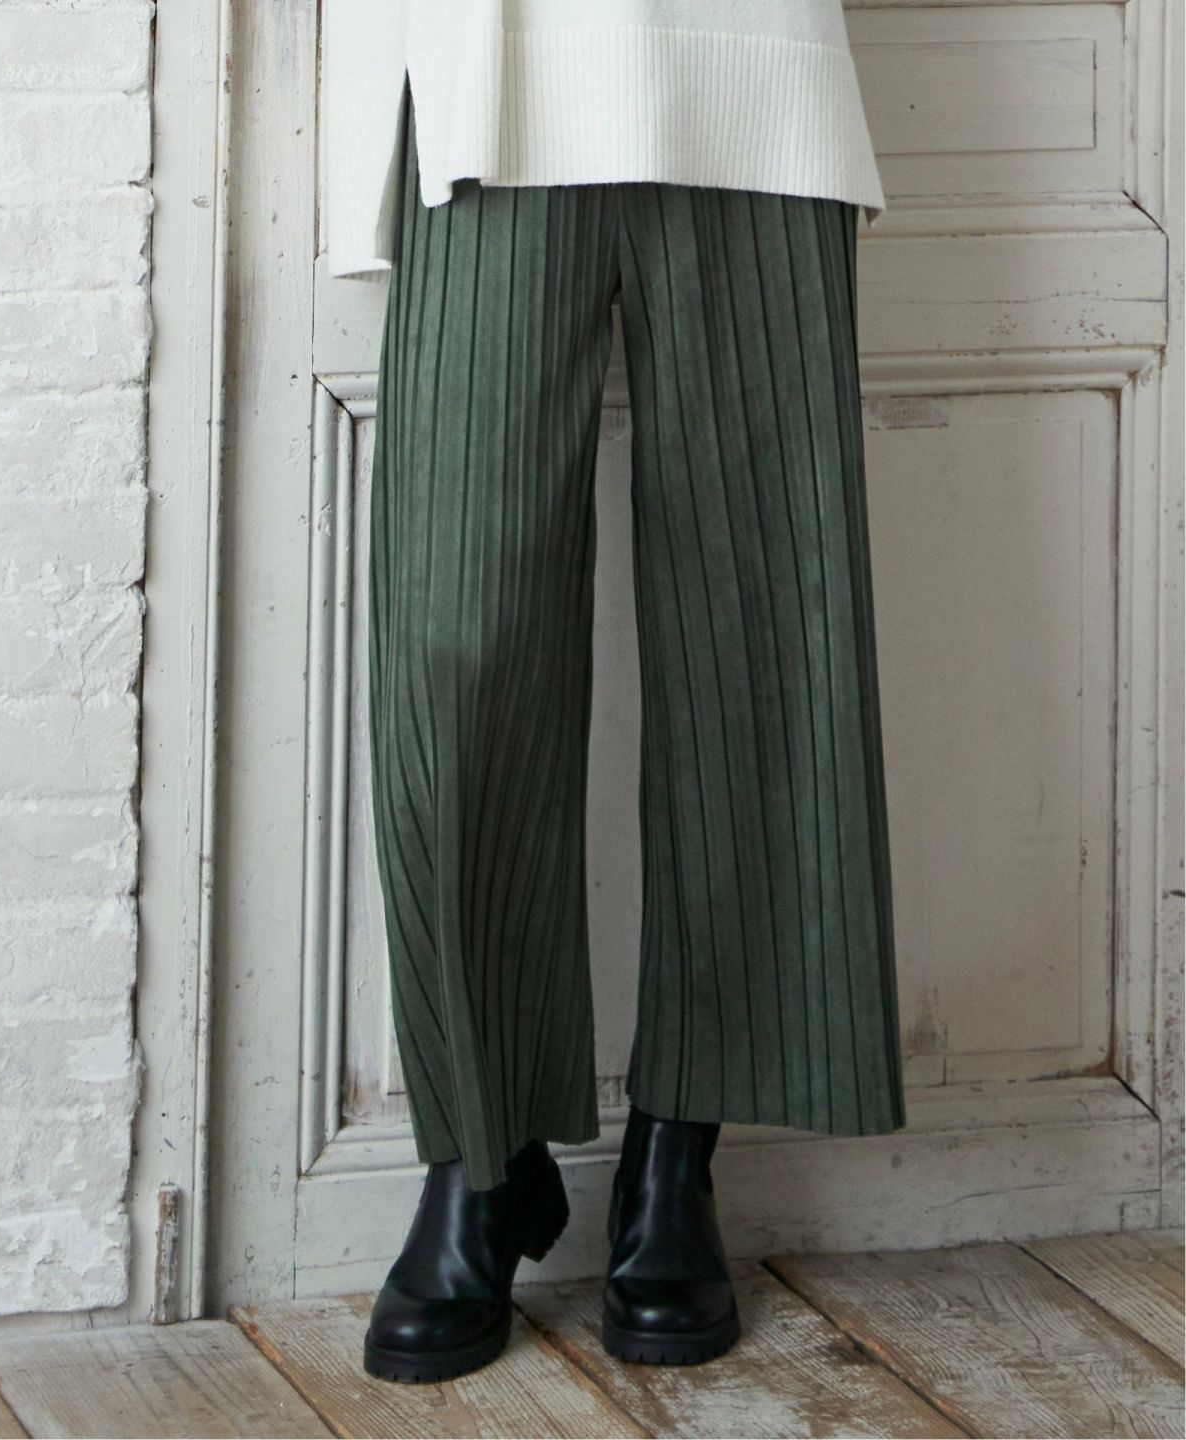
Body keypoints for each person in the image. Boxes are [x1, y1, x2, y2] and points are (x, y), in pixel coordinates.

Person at [325, 0, 905, 1384]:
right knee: (454, 644)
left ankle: (677, 1154)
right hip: (485, 93)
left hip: (753, 82)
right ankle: (482, 1153)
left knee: (763, 635)